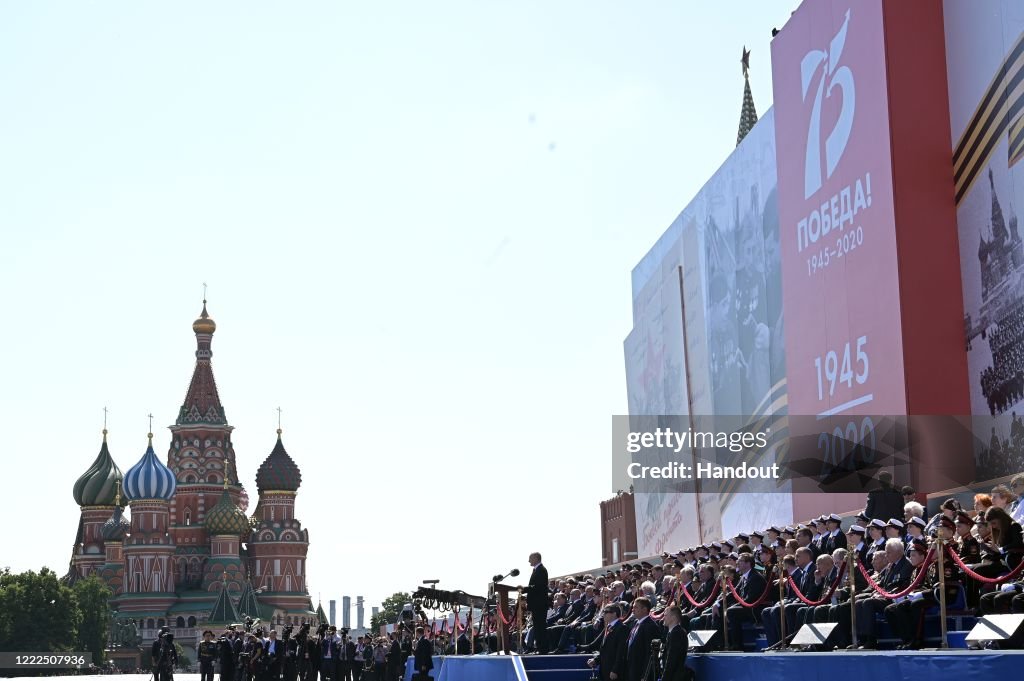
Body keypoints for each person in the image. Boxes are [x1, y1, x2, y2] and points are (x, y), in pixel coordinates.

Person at [587, 604, 627, 681]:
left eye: (606, 612)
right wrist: (596, 660)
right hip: (604, 669)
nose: (603, 614)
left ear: (614, 613)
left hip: (613, 672)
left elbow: (621, 652)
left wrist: (615, 670)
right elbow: (605, 649)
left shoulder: (622, 628)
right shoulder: (608, 627)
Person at [624, 597, 660, 681]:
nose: (633, 610)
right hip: (631, 670)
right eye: (633, 607)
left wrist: (645, 675)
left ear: (644, 609)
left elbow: (649, 653)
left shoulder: (650, 626)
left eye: (636, 607)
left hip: (641, 672)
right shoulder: (636, 623)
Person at [523, 552, 552, 653]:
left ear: (536, 558)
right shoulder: (536, 570)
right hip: (536, 605)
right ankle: (540, 647)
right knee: (537, 627)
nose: (529, 561)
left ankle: (543, 649)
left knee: (540, 627)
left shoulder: (542, 570)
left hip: (539, 605)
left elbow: (538, 586)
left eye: (530, 558)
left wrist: (525, 589)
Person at [660, 606, 688, 681]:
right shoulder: (672, 632)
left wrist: (664, 678)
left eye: (665, 615)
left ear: (673, 617)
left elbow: (671, 660)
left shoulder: (677, 633)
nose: (663, 618)